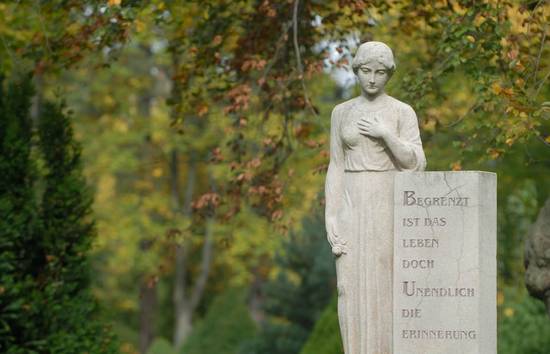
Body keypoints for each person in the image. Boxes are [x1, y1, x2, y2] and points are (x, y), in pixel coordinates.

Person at [325, 41, 426, 354]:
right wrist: (331, 214)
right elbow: (335, 164)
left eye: (380, 72)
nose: (372, 78)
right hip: (351, 198)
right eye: (366, 71)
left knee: (384, 281)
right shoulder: (341, 112)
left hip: (386, 197)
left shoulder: (400, 112)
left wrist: (387, 135)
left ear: (389, 74)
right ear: (356, 70)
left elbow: (417, 164)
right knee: (347, 286)